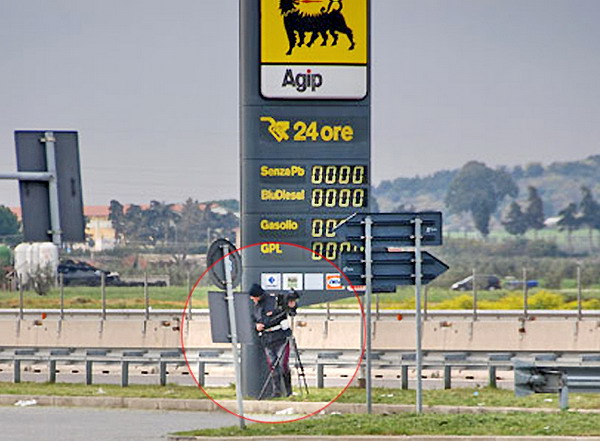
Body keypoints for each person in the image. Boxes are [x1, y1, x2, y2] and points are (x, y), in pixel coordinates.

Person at [249, 283, 297, 398]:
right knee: (273, 365)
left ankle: (288, 390)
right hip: (267, 339)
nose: (252, 300)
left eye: (253, 297)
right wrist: (256, 326)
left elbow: (290, 308)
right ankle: (277, 391)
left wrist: (292, 305)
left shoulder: (274, 300)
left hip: (280, 337)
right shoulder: (255, 307)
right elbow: (252, 320)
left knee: (283, 364)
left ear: (258, 295)